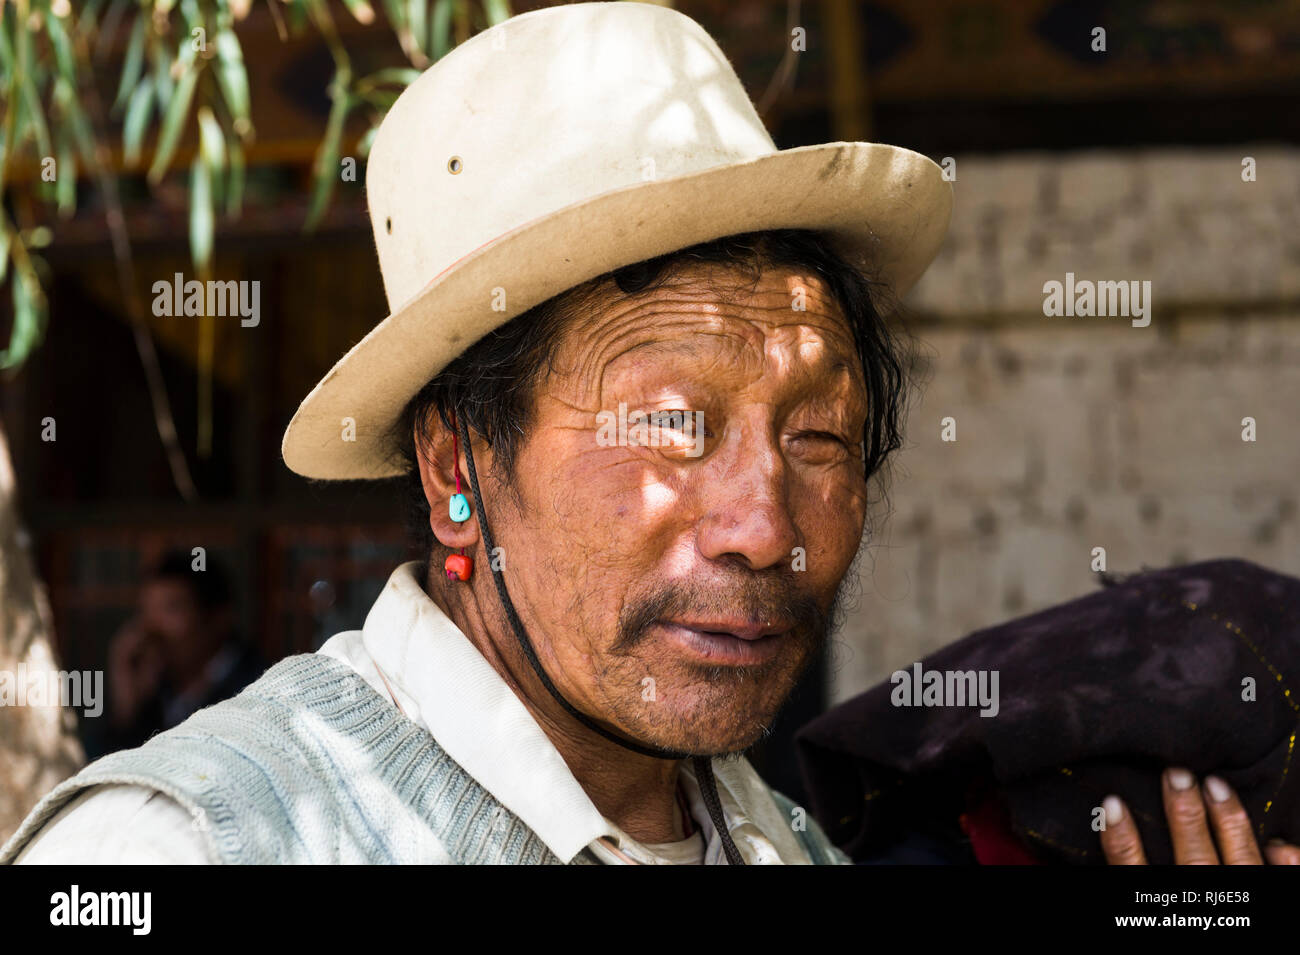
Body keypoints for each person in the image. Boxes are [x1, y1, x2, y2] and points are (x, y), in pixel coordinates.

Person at [3, 3, 1286, 866]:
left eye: (820, 436)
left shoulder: (775, 837)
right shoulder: (196, 842)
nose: (766, 526)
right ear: (458, 466)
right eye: (669, 423)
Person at [87, 550, 264, 760]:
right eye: (146, 611)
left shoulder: (257, 690)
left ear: (218, 618)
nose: (151, 628)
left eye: (171, 610)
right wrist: (127, 707)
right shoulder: (154, 692)